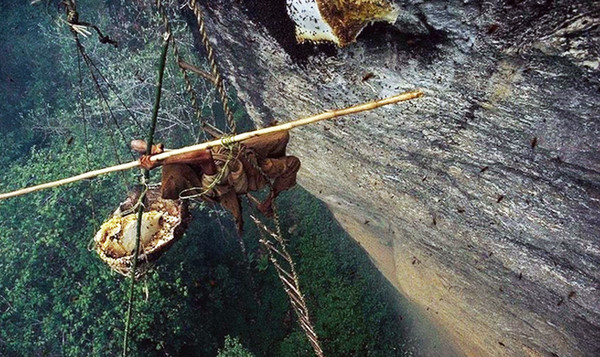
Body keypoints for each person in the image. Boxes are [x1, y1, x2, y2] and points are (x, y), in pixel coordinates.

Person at [131, 131, 300, 234]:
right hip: (250, 173)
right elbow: (204, 155)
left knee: (281, 136)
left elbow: (134, 144)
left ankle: (274, 154)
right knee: (292, 163)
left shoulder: (180, 160)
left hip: (241, 151)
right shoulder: (205, 186)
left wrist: (151, 149)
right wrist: (161, 162)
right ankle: (269, 201)